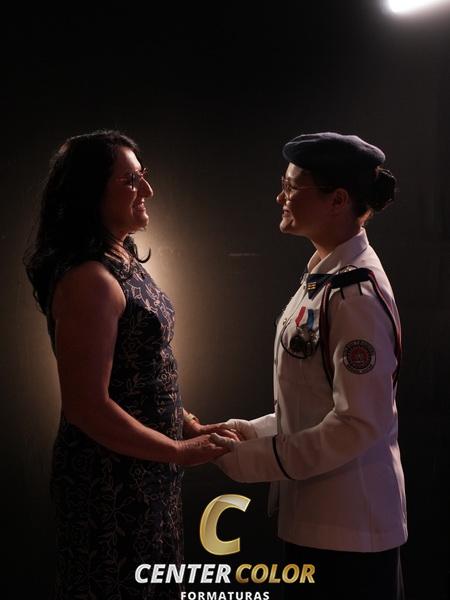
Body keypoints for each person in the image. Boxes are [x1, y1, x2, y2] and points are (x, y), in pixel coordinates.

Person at [24, 130, 234, 600]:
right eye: (131, 180)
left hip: (146, 470)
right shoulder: (90, 279)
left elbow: (138, 367)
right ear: (90, 193)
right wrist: (177, 449)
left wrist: (186, 423)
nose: (147, 190)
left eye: (144, 177)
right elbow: (86, 407)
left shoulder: (119, 257)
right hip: (110, 482)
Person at [212, 132, 407, 599]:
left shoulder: (356, 295)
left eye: (291, 187)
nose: (280, 197)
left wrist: (254, 459)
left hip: (349, 533)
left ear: (337, 200)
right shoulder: (326, 276)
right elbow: (311, 402)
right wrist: (246, 433)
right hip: (318, 522)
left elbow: (357, 423)